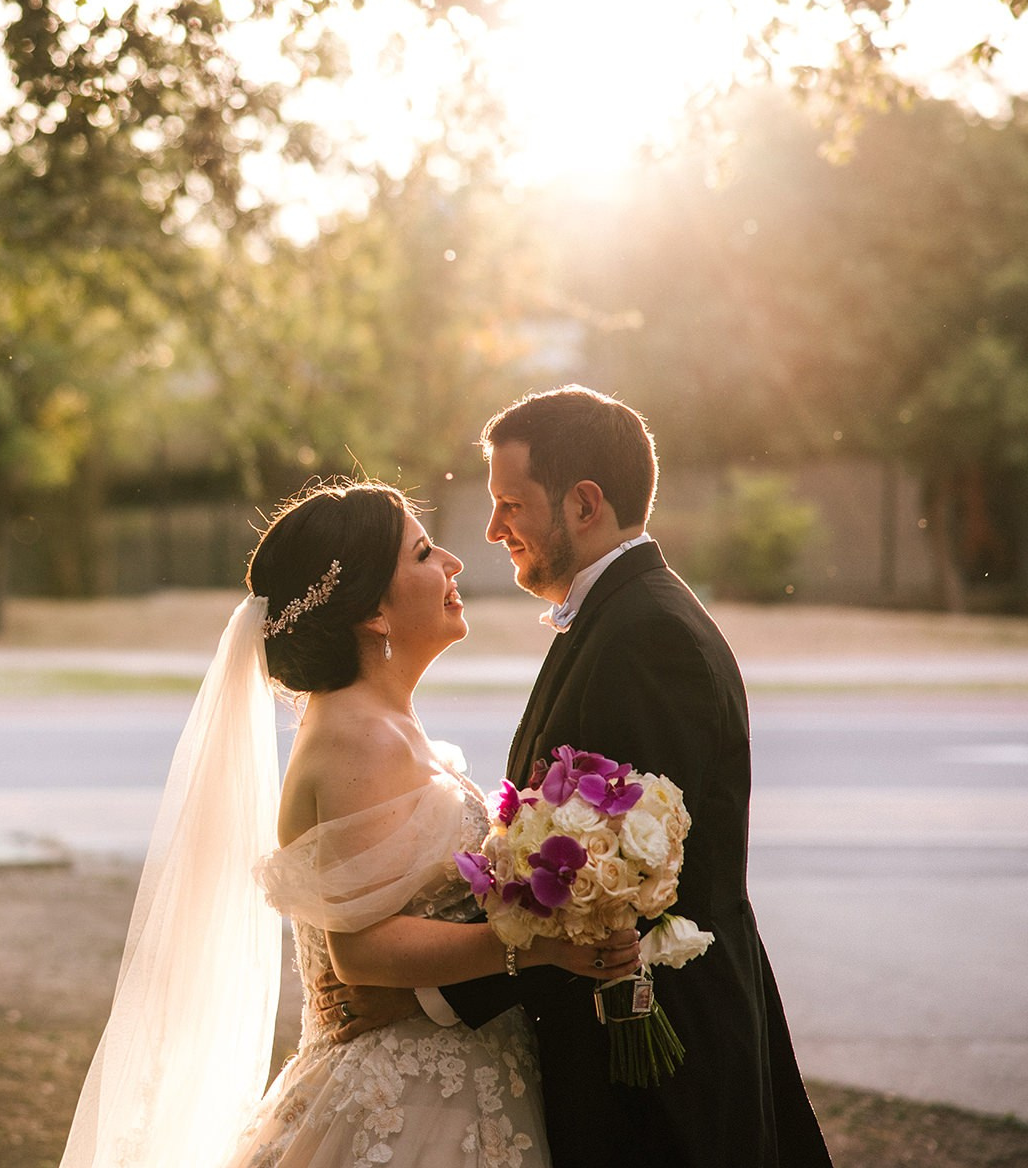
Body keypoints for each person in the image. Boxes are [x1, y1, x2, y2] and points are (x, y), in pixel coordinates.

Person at [319, 388, 832, 1167]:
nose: (493, 531)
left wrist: (417, 995)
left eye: (510, 504)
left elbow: (618, 891)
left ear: (584, 503)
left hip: (662, 1067)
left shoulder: (647, 636)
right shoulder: (616, 619)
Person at [59, 480, 636, 1168]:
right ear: (372, 612)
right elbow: (360, 954)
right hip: (405, 1107)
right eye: (423, 554)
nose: (452, 562)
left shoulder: (381, 721)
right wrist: (538, 948)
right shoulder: (354, 738)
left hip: (456, 1079)